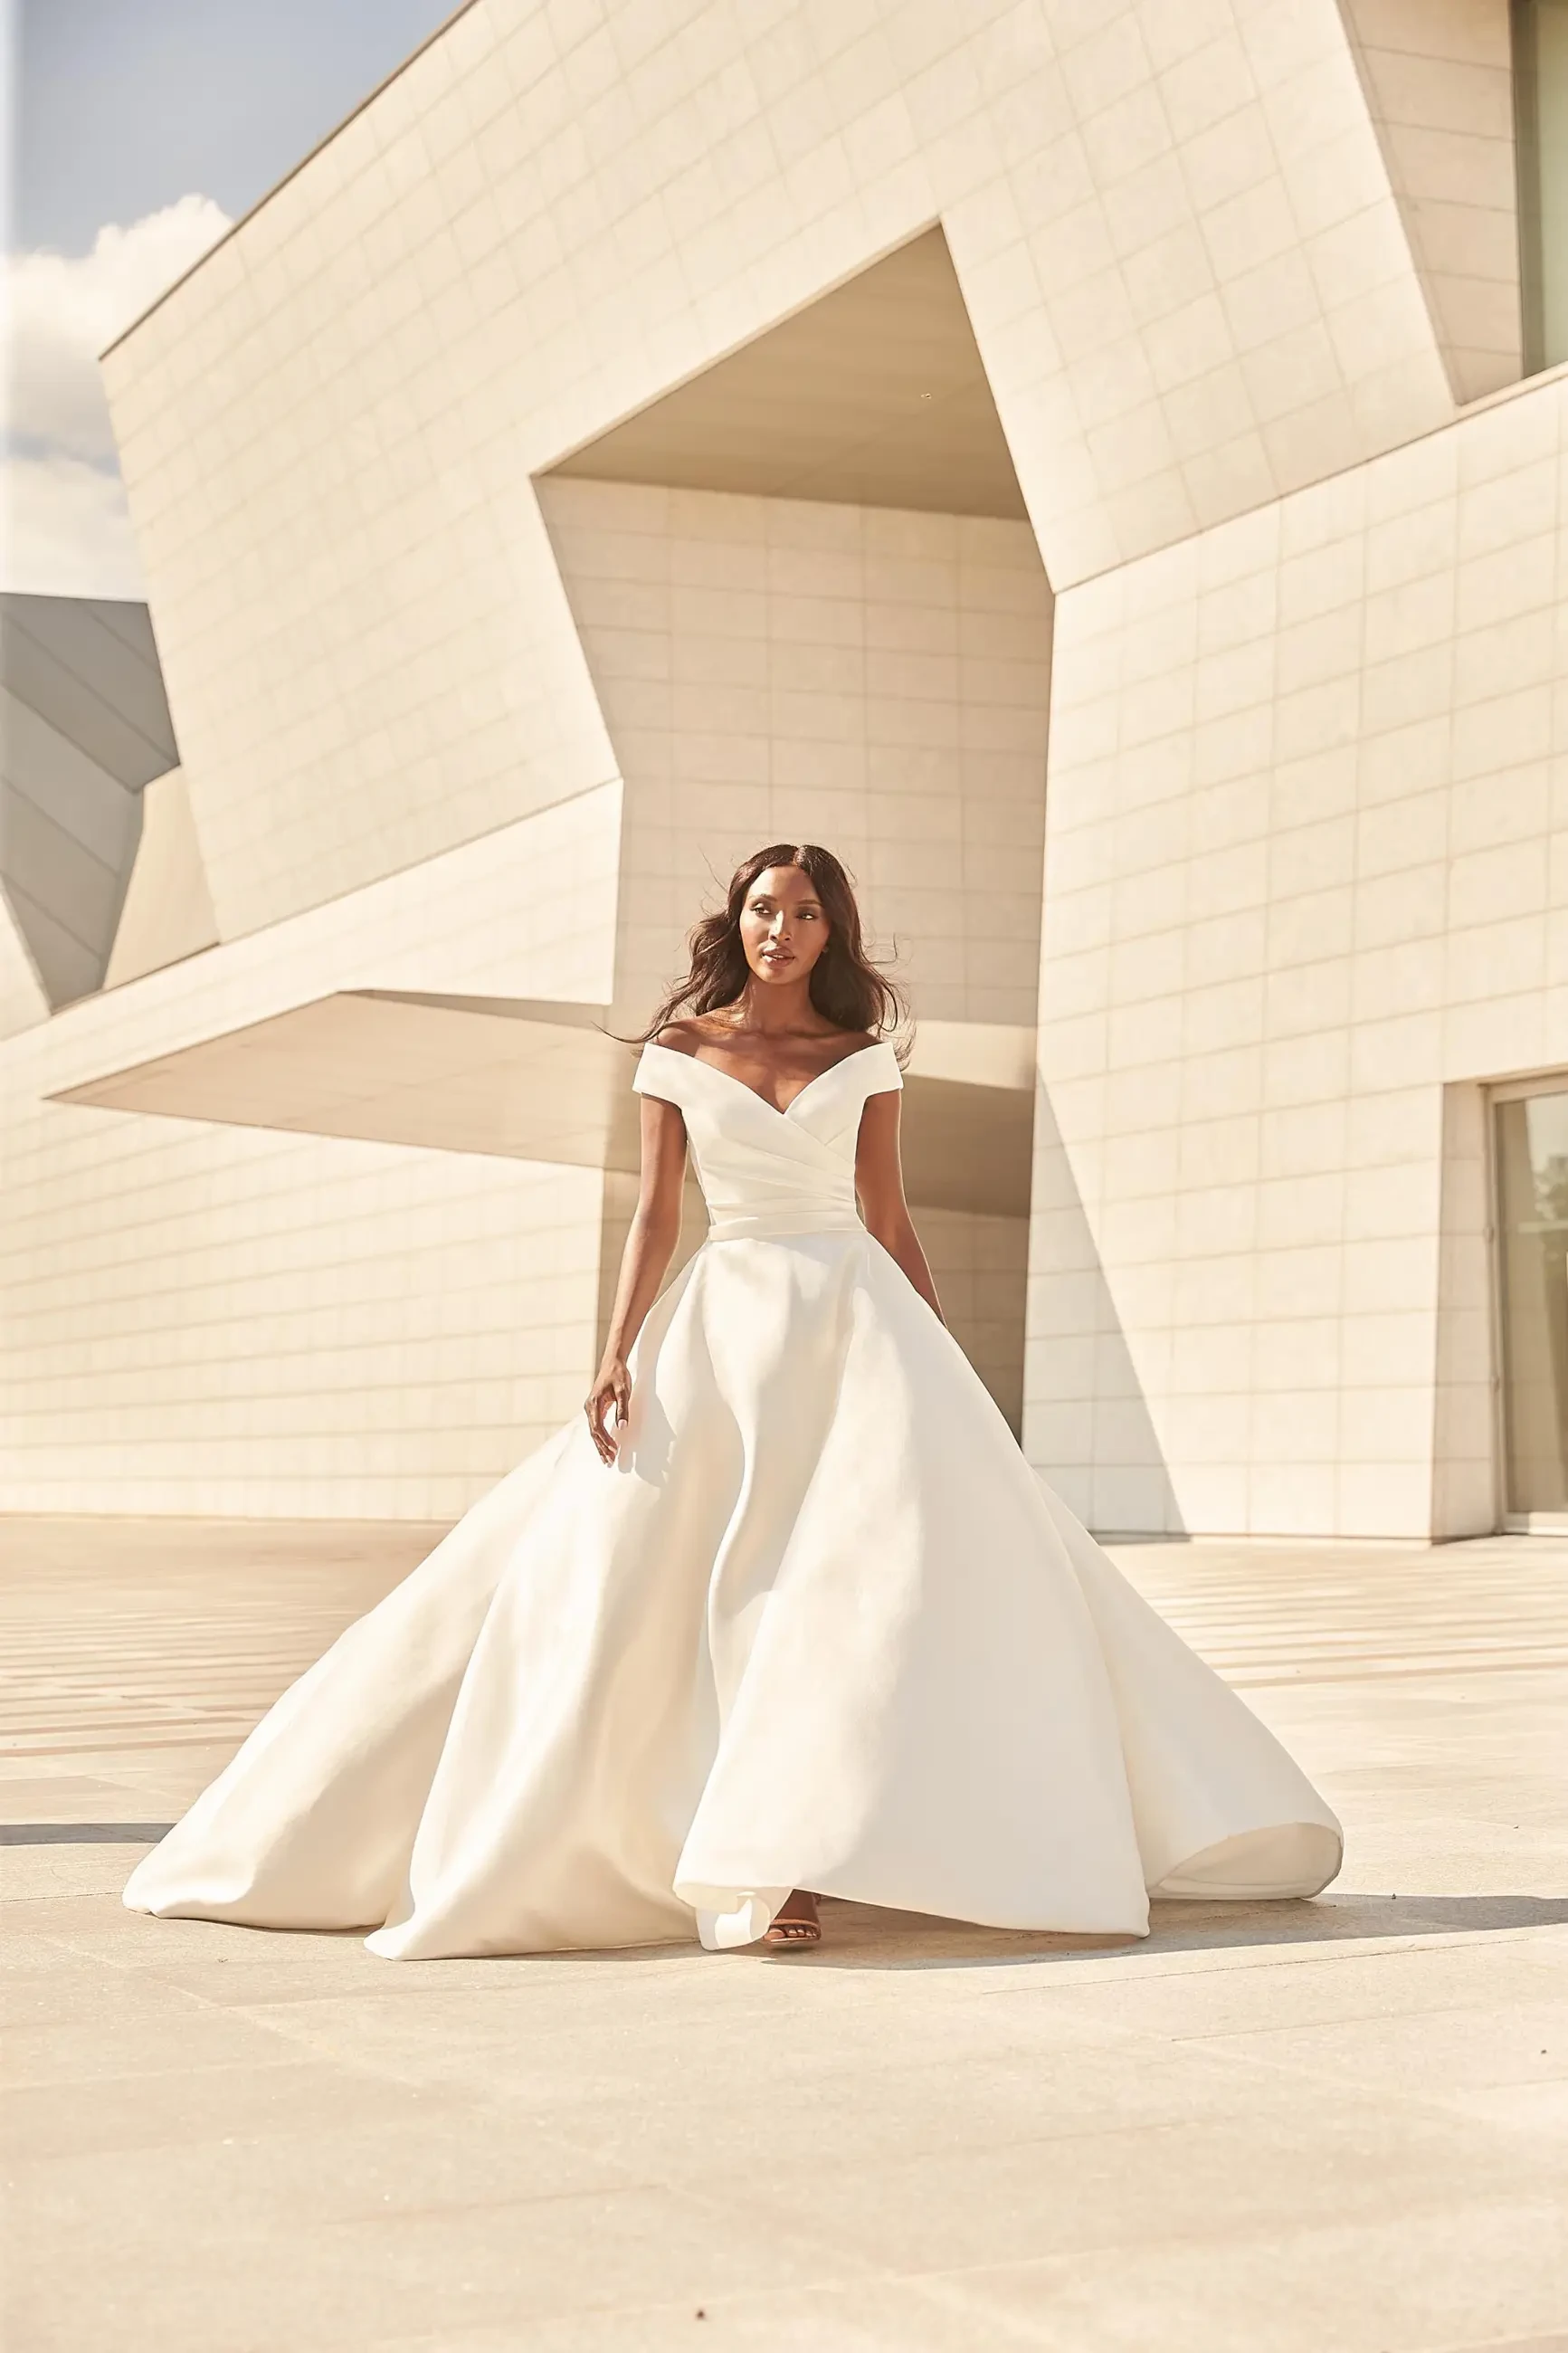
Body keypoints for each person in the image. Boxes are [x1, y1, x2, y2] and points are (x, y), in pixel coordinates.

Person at [125, 843, 1341, 1957]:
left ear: (829, 934)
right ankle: (737, 1848)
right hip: (724, 1329)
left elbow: (890, 1217)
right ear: (737, 921)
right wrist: (615, 1350)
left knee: (843, 1592)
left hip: (855, 1329)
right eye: (765, 909)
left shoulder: (861, 1061)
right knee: (674, 1587)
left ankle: (800, 1859)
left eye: (805, 914)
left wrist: (939, 1355)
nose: (782, 929)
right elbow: (658, 1213)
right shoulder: (680, 1055)